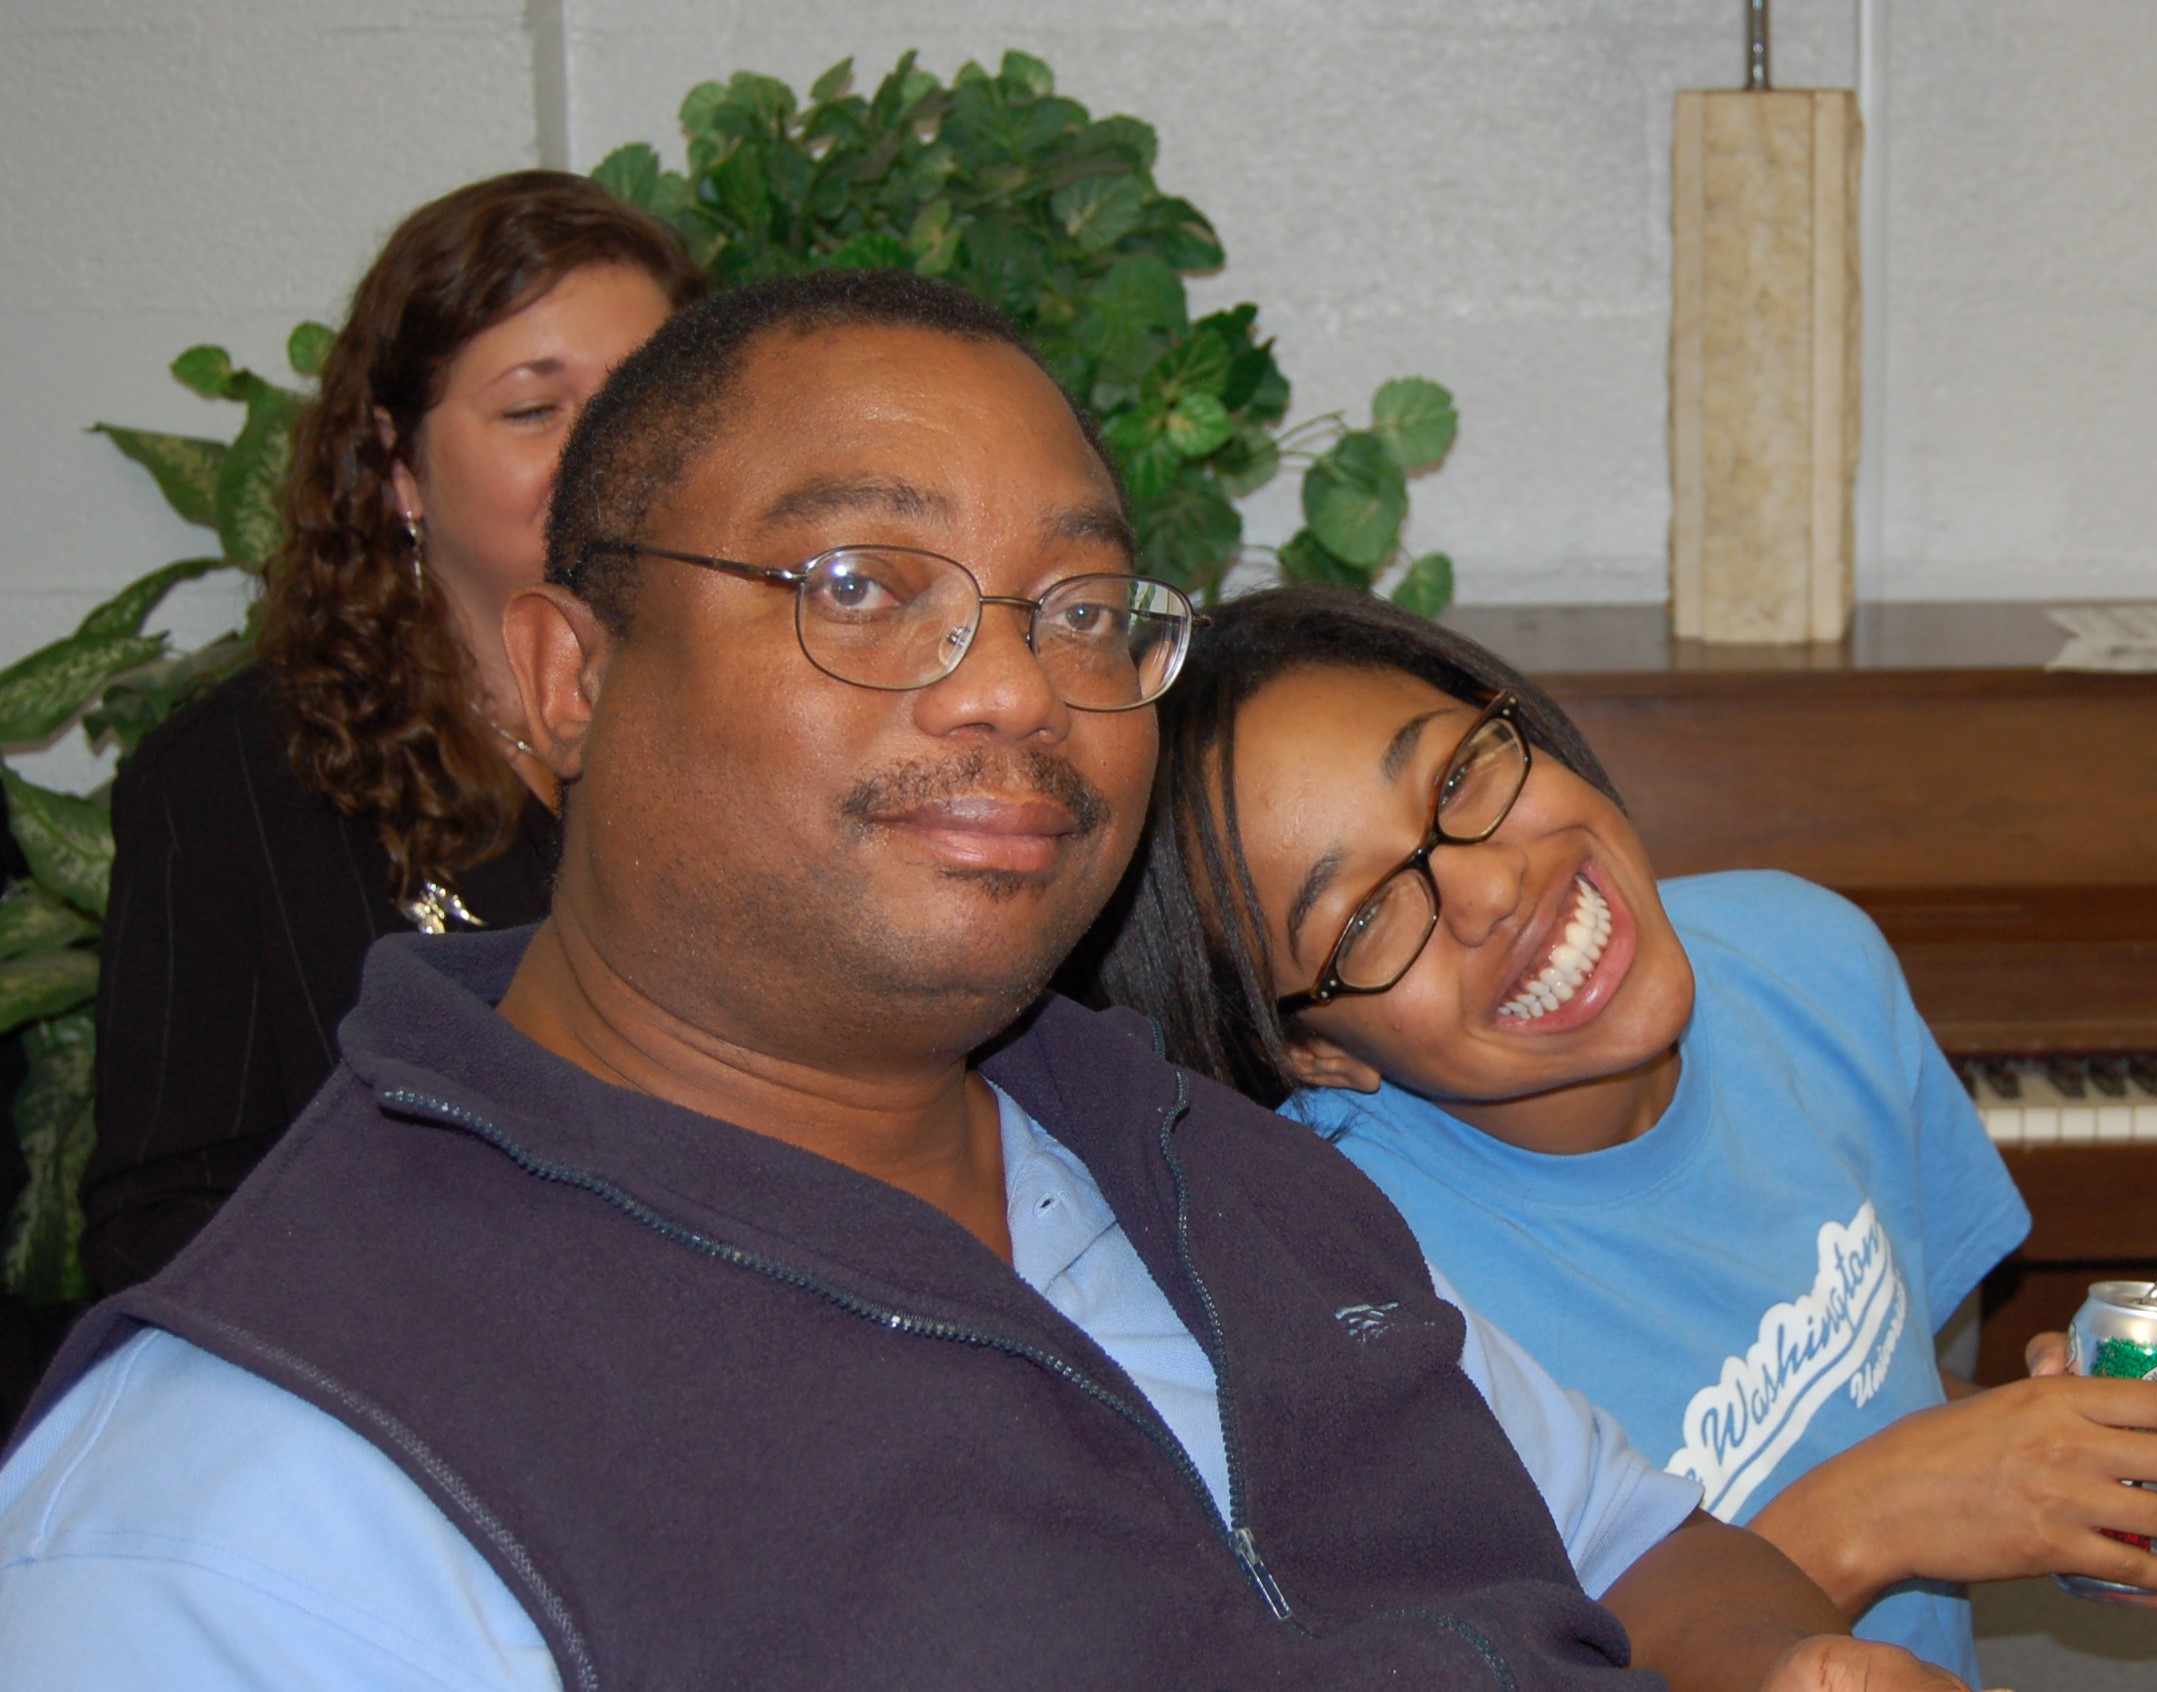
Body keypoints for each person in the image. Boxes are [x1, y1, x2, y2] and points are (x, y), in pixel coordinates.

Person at [0, 270, 1969, 1691]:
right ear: (569, 684)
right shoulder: (257, 1501)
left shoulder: (1218, 1165)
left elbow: (1637, 1542)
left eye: (1085, 609)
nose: (1023, 683)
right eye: (860, 583)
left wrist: (1786, 1661)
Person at [1092, 585, 2157, 1685]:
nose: (1488, 888)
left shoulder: (1805, 958)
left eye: (1458, 778)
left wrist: (2070, 1453)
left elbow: (1872, 1384)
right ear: (1319, 1052)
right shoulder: (1342, 1286)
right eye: (1363, 916)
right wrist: (1879, 1514)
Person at [82, 170, 704, 1294]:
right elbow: (160, 1223)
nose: (609, 454)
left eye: (642, 401)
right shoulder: (231, 782)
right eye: (534, 409)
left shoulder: (769, 729)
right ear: (399, 463)